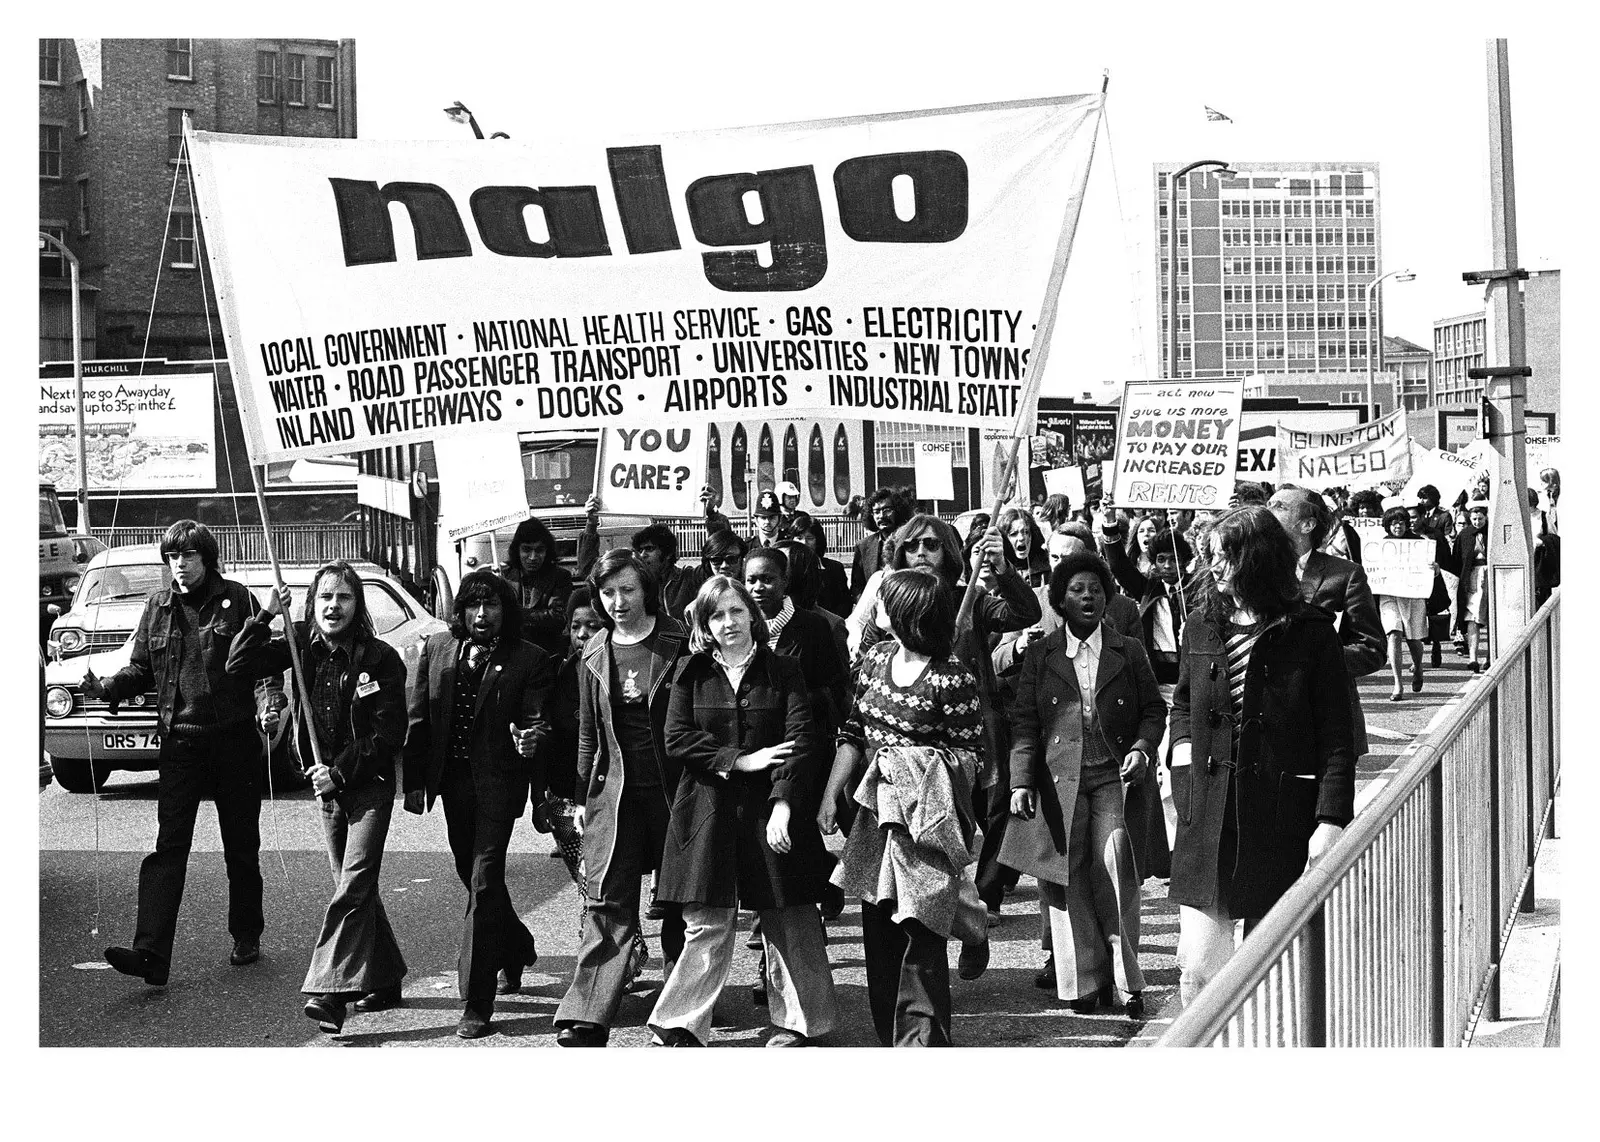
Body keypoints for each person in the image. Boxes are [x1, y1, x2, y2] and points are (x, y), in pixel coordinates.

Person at [1169, 506, 1356, 1005]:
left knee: (1273, 967)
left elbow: (1336, 733)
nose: (1213, 568)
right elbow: (1184, 703)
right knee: (1200, 968)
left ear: (1256, 560)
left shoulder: (1311, 632)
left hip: (1279, 814)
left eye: (1223, 557)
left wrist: (1331, 818)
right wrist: (1182, 757)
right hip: (1207, 811)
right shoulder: (1201, 625)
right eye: (1209, 556)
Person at [649, 577, 841, 1046]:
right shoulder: (689, 672)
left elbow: (801, 742)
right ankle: (680, 1022)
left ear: (753, 616)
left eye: (737, 611)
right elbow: (676, 738)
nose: (728, 622)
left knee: (790, 915)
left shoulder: (785, 670)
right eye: (717, 615)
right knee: (707, 920)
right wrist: (738, 760)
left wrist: (782, 805)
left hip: (771, 810)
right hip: (707, 811)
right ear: (704, 625)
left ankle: (801, 1023)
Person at [85, 520, 271, 987]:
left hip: (233, 741)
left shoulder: (239, 599)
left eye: (187, 557)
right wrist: (107, 688)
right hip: (181, 743)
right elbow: (141, 669)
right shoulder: (158, 606)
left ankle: (247, 933)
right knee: (169, 848)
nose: (179, 566)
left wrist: (272, 703)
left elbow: (263, 665)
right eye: (172, 558)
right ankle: (150, 953)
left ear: (206, 558)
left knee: (241, 846)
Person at [227, 562, 409, 1034]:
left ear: (358, 605)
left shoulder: (381, 659)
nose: (333, 606)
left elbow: (389, 734)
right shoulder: (296, 647)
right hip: (324, 789)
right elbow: (237, 664)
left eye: (344, 597)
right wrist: (266, 613)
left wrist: (340, 772)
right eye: (325, 597)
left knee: (352, 885)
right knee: (356, 888)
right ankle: (385, 978)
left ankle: (329, 990)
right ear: (312, 602)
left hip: (366, 787)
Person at [820, 570, 989, 1046]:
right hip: (876, 817)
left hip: (925, 821)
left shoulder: (952, 678)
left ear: (908, 615)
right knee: (879, 925)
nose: (876, 607)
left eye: (885, 601)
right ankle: (889, 1037)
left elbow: (973, 756)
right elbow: (853, 731)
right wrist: (831, 794)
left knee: (920, 927)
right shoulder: (873, 660)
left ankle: (922, 1043)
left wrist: (912, 767)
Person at [846, 514, 1041, 924]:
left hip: (973, 724)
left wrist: (1001, 569)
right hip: (906, 743)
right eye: (913, 546)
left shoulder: (966, 594)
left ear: (948, 553)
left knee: (992, 808)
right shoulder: (891, 600)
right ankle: (937, 904)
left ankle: (982, 897)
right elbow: (866, 659)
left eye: (932, 545)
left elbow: (1025, 612)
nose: (921, 554)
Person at [1002, 551, 1165, 1017]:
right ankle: (1085, 984)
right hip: (1059, 785)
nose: (1087, 596)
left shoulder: (1128, 649)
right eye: (1076, 589)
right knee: (1067, 876)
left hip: (1115, 777)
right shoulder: (1041, 653)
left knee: (1115, 862)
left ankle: (1127, 980)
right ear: (1060, 600)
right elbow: (1025, 722)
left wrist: (1142, 747)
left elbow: (1154, 710)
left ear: (1107, 597)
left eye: (1095, 588)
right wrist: (1020, 781)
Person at [402, 570, 554, 1038]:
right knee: (471, 876)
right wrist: (414, 784)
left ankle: (476, 1001)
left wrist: (531, 738)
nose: (482, 615)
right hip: (453, 784)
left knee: (485, 879)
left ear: (506, 612)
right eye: (473, 606)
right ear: (461, 611)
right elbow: (419, 718)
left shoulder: (531, 659)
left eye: (491, 606)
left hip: (499, 784)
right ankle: (518, 946)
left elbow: (538, 720)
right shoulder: (437, 650)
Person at [554, 550, 690, 1047]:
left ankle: (680, 1011)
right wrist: (580, 802)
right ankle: (589, 1014)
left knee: (680, 903)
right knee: (607, 902)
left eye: (628, 590)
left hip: (678, 794)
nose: (618, 602)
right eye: (608, 593)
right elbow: (589, 737)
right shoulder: (592, 652)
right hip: (615, 799)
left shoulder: (680, 642)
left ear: (647, 590)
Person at [532, 587, 652, 984]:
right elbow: (545, 737)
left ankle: (616, 963)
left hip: (614, 795)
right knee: (590, 883)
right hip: (566, 799)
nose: (584, 635)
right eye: (576, 626)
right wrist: (540, 800)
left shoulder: (619, 667)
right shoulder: (558, 672)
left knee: (602, 885)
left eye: (593, 625)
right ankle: (624, 954)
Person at [1267, 486, 1386, 758]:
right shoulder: (1251, 570)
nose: (1267, 510)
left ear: (1307, 524)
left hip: (1326, 725)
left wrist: (1317, 659)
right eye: (1269, 503)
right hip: (1266, 727)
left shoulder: (1344, 575)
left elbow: (1372, 650)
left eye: (1280, 506)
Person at [1374, 506, 1439, 700]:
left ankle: (1418, 667)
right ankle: (1397, 683)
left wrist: (1434, 568)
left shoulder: (1420, 543)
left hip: (1412, 594)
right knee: (1393, 634)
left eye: (1401, 523)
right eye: (1393, 523)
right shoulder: (1380, 545)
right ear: (1387, 526)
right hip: (1389, 595)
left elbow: (1433, 572)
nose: (1398, 526)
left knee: (1413, 639)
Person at [500, 516, 574, 661]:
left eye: (539, 550)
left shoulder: (560, 577)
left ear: (547, 552)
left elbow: (558, 618)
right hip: (510, 654)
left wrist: (517, 614)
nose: (533, 557)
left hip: (547, 654)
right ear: (517, 550)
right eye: (526, 550)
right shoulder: (505, 576)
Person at [630, 522, 706, 622]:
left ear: (668, 553)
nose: (643, 555)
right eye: (640, 550)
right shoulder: (638, 585)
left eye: (649, 549)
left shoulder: (688, 577)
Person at [1450, 498, 1491, 673]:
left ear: (1486, 517)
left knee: (1490, 615)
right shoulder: (1465, 535)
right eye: (1474, 519)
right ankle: (1473, 657)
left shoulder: (1492, 533)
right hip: (1472, 577)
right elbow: (1457, 560)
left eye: (1480, 519)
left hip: (1489, 574)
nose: (1477, 522)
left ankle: (1491, 656)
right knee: (1471, 617)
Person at [850, 487, 907, 601]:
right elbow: (857, 586)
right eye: (876, 512)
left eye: (887, 510)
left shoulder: (910, 541)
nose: (881, 516)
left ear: (898, 510)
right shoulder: (863, 546)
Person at [799, 521, 851, 618]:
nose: (804, 543)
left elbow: (845, 603)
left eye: (809, 538)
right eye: (799, 538)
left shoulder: (835, 568)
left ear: (818, 541)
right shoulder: (787, 569)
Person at [996, 506, 1049, 587]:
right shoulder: (999, 570)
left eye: (1026, 532)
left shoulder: (1048, 568)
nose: (1021, 538)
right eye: (1013, 534)